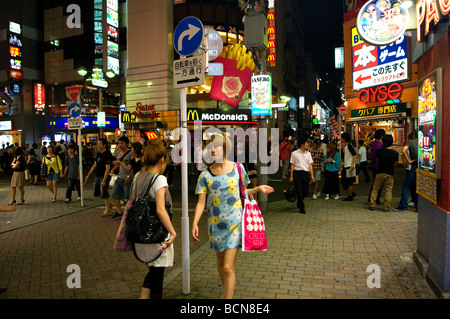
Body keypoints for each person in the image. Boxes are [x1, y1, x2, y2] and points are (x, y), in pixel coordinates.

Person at [192, 132, 274, 299]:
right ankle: (227, 290)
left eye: (216, 146)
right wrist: (194, 223)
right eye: (210, 147)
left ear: (224, 148)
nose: (213, 149)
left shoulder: (238, 168)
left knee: (228, 267)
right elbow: (201, 202)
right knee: (221, 264)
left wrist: (258, 189)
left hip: (235, 223)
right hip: (215, 226)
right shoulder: (205, 175)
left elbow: (243, 193)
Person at [131, 140, 177, 299]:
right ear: (162, 159)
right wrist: (172, 232)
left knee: (153, 273)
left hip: (140, 233)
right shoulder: (160, 179)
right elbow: (160, 209)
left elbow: (132, 203)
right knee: (157, 279)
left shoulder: (138, 176)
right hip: (156, 234)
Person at [84, 138, 114, 216]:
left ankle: (108, 209)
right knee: (96, 193)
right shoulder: (98, 154)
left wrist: (104, 180)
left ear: (104, 145)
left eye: (100, 143)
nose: (98, 145)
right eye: (98, 143)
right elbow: (95, 165)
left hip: (104, 176)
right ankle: (109, 203)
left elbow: (107, 168)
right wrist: (88, 175)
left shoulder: (107, 154)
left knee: (104, 192)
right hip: (98, 175)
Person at [369, 134, 398, 211]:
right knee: (388, 190)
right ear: (391, 142)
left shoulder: (379, 152)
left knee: (375, 189)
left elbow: (376, 160)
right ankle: (386, 206)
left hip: (380, 172)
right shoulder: (395, 153)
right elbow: (395, 164)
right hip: (390, 173)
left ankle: (372, 204)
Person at [393, 132, 418, 212]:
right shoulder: (423, 142)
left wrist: (409, 161)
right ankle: (418, 206)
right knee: (417, 188)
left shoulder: (411, 142)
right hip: (421, 168)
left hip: (413, 167)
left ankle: (403, 206)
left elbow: (403, 151)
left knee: (406, 187)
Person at [289, 137, 315, 214]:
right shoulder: (294, 153)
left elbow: (310, 165)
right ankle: (302, 207)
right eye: (306, 143)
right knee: (299, 190)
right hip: (297, 173)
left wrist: (312, 176)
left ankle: (300, 201)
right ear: (302, 144)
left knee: (306, 191)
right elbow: (292, 165)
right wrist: (291, 176)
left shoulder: (308, 154)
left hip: (305, 174)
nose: (308, 145)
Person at [111, 136, 133, 220]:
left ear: (127, 144)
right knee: (115, 195)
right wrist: (113, 169)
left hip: (127, 179)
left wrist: (129, 176)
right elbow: (117, 164)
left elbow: (131, 168)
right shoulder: (117, 152)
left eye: (122, 143)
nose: (120, 145)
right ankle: (119, 211)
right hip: (119, 177)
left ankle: (128, 213)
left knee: (127, 197)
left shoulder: (131, 154)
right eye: (119, 143)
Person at [368, 129, 385, 203]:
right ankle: (375, 199)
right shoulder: (380, 145)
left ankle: (372, 198)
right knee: (379, 184)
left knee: (375, 183)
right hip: (379, 166)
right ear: (382, 136)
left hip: (374, 165)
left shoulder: (373, 144)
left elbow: (372, 156)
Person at [340, 133, 357, 201]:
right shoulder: (346, 146)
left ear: (344, 138)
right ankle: (351, 193)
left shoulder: (349, 146)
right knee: (344, 180)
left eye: (341, 138)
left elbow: (354, 155)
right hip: (347, 165)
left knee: (349, 181)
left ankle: (350, 196)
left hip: (350, 166)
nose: (340, 139)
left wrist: (352, 165)